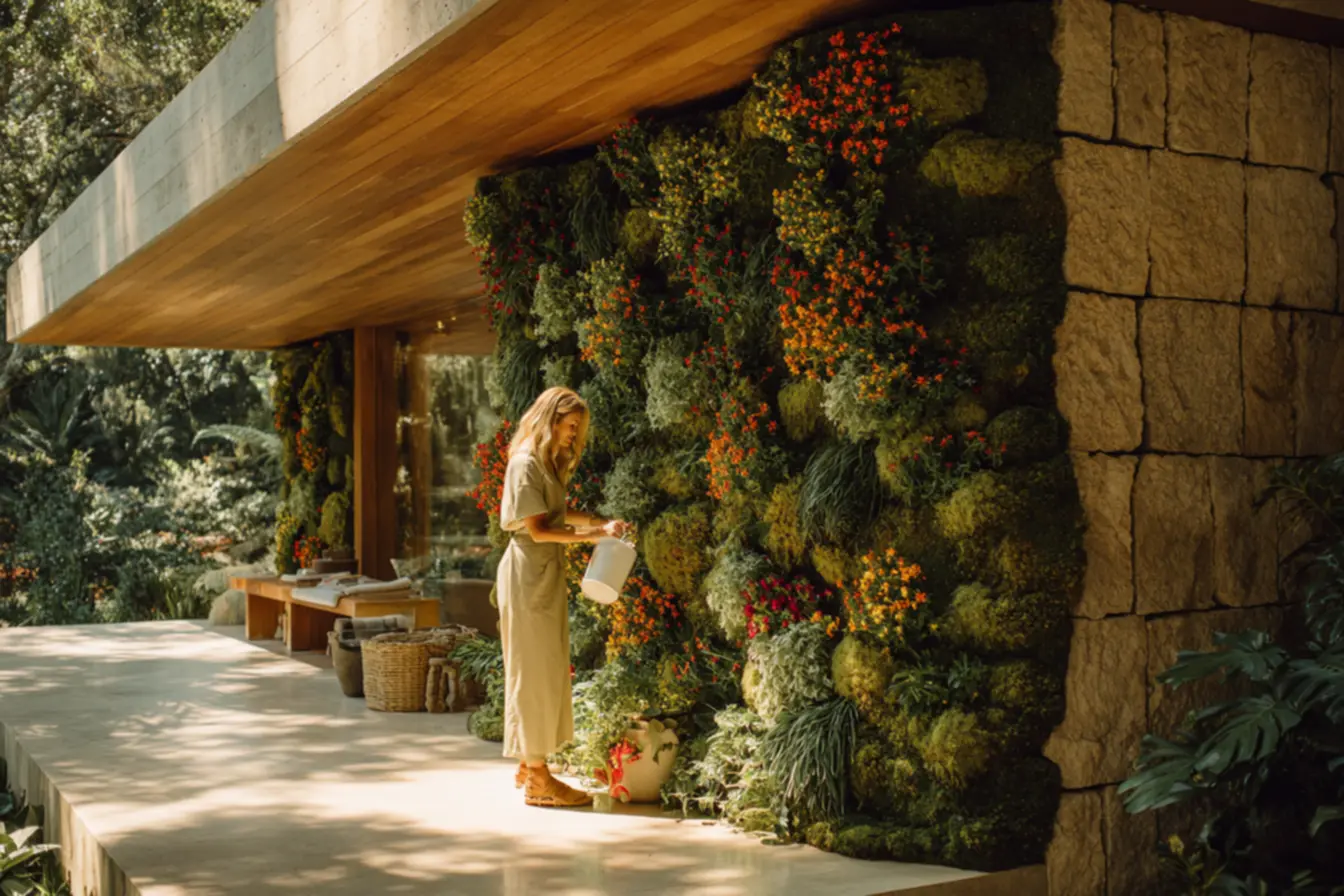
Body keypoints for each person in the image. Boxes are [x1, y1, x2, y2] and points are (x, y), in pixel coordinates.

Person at [495, 386, 629, 808]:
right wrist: (593, 536)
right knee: (532, 673)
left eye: (578, 429)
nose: (574, 436)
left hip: (542, 574)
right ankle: (539, 778)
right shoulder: (525, 464)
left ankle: (528, 762)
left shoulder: (544, 465)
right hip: (527, 575)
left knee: (544, 670)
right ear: (551, 419)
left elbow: (553, 514)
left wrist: (599, 522)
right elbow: (537, 529)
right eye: (571, 427)